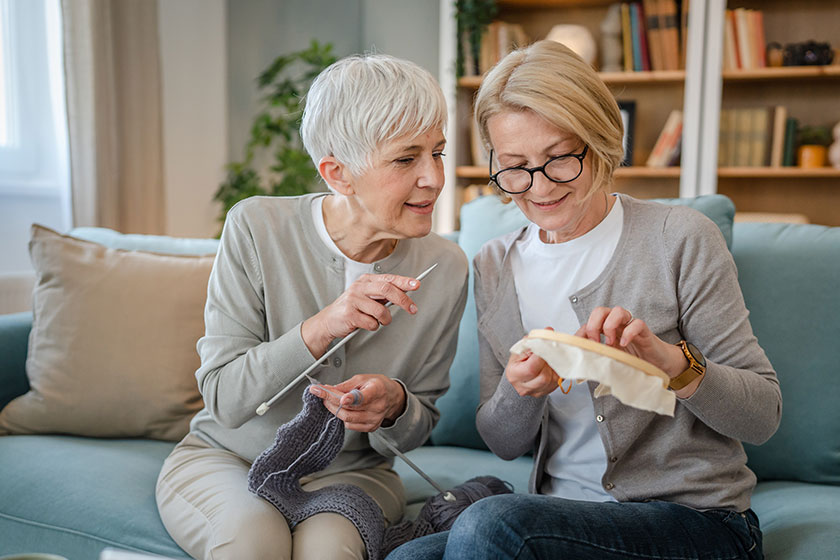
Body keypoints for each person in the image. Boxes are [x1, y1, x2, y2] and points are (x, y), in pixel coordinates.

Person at [387, 40, 780, 560]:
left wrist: (673, 365)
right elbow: (504, 442)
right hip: (563, 520)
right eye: (515, 166)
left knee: (491, 527)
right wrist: (519, 390)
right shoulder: (493, 264)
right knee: (406, 558)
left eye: (558, 159)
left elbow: (763, 415)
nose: (539, 187)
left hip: (699, 522)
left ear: (599, 141)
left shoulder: (679, 237)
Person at [155, 53, 469, 560]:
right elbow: (225, 399)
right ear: (338, 173)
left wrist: (395, 403)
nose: (434, 177)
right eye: (406, 158)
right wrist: (323, 326)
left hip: (357, 473)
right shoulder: (256, 228)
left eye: (438, 152)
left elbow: (420, 423)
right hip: (228, 458)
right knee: (253, 541)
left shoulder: (447, 266)